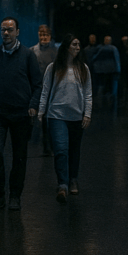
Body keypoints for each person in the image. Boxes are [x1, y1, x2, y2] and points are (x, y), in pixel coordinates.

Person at [0, 17, 43, 211]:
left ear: (17, 31)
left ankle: (15, 195)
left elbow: (37, 83)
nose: (6, 33)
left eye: (9, 30)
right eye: (3, 30)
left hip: (20, 113)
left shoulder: (27, 55)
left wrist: (33, 105)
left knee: (19, 156)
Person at [38, 35, 92, 203]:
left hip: (76, 116)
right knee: (61, 150)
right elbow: (45, 90)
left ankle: (73, 178)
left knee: (74, 150)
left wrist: (87, 113)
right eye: (74, 44)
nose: (78, 47)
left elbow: (88, 94)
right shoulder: (53, 68)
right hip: (56, 115)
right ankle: (63, 183)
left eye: (79, 44)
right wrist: (41, 111)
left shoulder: (83, 68)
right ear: (67, 47)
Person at [30, 24, 60, 156]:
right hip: (37, 89)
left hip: (53, 89)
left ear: (50, 35)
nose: (43, 37)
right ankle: (45, 146)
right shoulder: (33, 51)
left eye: (46, 35)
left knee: (51, 119)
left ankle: (50, 145)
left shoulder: (56, 51)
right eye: (41, 35)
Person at [93, 35, 122, 105]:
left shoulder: (103, 48)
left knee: (105, 86)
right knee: (106, 86)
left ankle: (103, 100)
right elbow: (116, 59)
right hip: (106, 71)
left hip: (105, 71)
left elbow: (94, 58)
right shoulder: (110, 48)